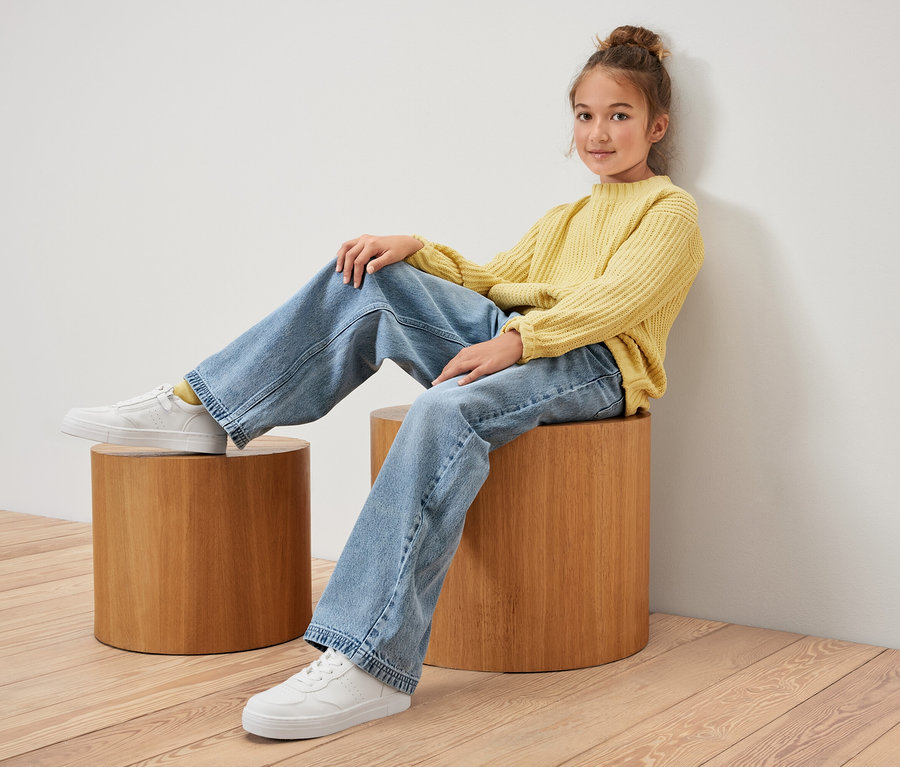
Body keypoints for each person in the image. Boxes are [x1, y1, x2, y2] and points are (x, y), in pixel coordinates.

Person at [62, 24, 704, 740]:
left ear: (657, 126)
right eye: (585, 115)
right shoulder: (570, 215)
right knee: (373, 280)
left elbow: (618, 300)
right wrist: (418, 249)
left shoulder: (670, 212)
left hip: (594, 365)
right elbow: (499, 278)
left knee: (441, 412)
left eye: (618, 116)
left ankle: (369, 661)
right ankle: (203, 410)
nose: (598, 132)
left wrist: (519, 339)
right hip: (518, 340)